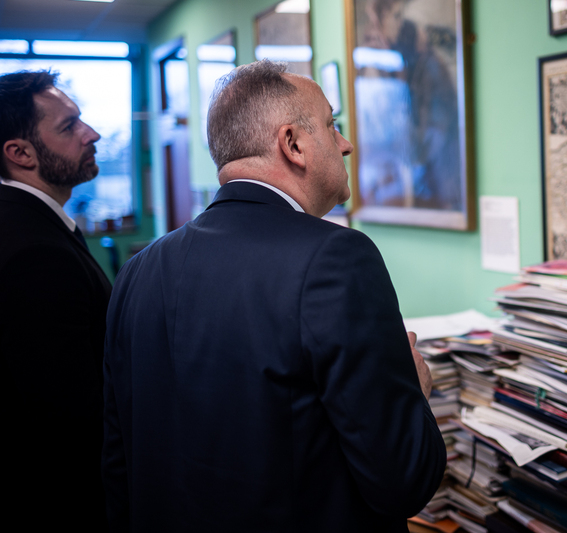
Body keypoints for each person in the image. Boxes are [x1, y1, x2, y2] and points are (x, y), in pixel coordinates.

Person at [102, 60, 446, 532]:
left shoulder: (136, 272)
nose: (346, 144)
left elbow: (119, 467)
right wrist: (415, 394)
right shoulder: (336, 257)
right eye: (331, 124)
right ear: (293, 143)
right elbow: (404, 480)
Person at [0, 71, 111, 528]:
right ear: (19, 154)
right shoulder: (34, 253)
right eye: (69, 126)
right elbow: (67, 419)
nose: (91, 134)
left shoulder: (12, 224)